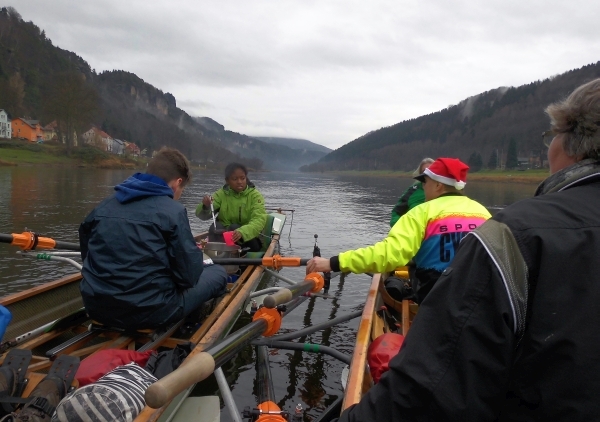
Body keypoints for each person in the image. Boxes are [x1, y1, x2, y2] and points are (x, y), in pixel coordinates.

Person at [336, 79, 600, 421]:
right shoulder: (484, 212)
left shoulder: (514, 232)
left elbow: (433, 385)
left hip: (436, 297)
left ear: (570, 145)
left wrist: (333, 262)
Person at [79, 148, 227, 331]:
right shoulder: (173, 211)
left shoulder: (103, 206)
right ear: (177, 183)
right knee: (218, 273)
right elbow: (189, 277)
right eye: (182, 189)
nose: (179, 195)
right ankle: (192, 326)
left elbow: (87, 256)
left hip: (96, 307)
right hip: (151, 312)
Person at [307, 157, 491, 304]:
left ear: (438, 185)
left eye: (424, 182)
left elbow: (388, 255)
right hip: (483, 300)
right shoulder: (484, 213)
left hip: (440, 303)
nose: (423, 187)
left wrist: (333, 262)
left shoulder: (421, 213)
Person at [196, 162, 267, 252]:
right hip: (225, 239)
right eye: (234, 179)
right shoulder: (221, 194)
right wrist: (205, 206)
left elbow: (259, 220)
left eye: (243, 178)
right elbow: (202, 215)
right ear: (227, 180)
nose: (239, 182)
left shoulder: (255, 196)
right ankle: (217, 254)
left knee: (234, 227)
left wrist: (242, 232)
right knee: (215, 228)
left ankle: (238, 256)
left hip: (248, 239)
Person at [389, 157, 434, 227]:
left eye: (431, 170)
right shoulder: (413, 190)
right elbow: (396, 212)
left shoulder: (444, 190)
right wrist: (400, 227)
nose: (427, 174)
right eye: (424, 171)